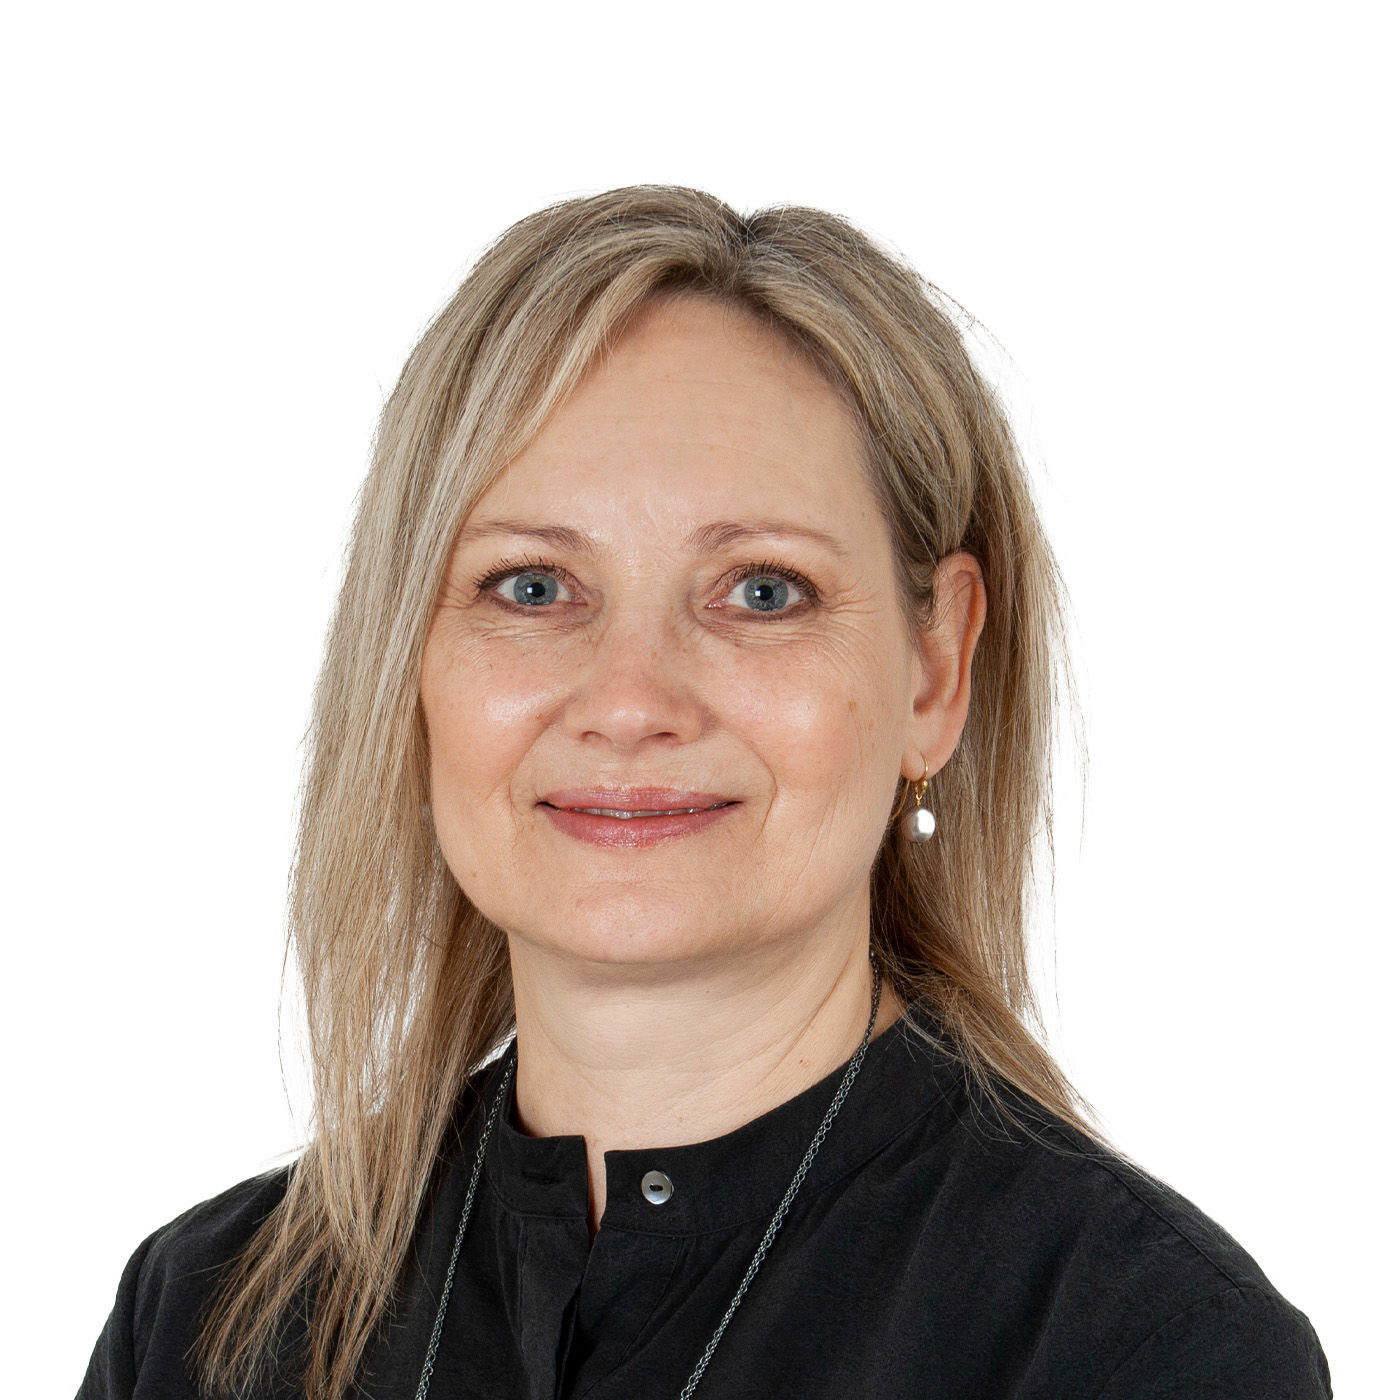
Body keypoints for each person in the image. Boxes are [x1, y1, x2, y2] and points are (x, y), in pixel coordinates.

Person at [78, 186, 1331, 1400]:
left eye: (760, 591)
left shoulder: (1141, 1347)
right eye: (530, 586)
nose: (629, 699)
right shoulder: (201, 1322)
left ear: (934, 668)